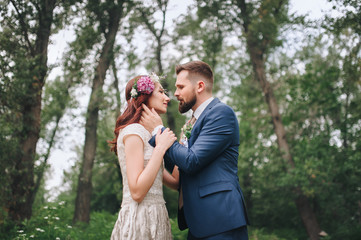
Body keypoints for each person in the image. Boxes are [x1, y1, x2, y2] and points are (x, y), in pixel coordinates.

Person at [140, 61, 249, 239]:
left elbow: (192, 161)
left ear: (199, 86)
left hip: (220, 219)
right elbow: (179, 172)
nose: (175, 94)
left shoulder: (221, 113)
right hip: (198, 222)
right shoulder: (191, 123)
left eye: (180, 87)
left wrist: (158, 131)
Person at [109, 73, 179, 240]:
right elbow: (137, 192)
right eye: (161, 92)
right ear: (145, 96)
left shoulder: (150, 135)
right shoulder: (133, 132)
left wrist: (183, 145)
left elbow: (176, 183)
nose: (167, 98)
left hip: (157, 217)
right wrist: (160, 147)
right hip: (139, 220)